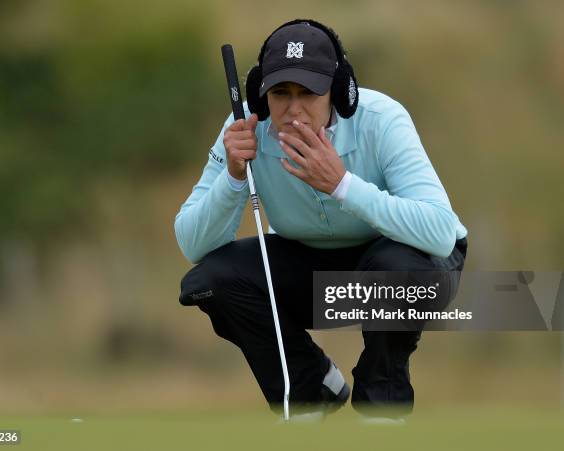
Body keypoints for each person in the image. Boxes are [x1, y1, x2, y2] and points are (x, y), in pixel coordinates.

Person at [175, 19, 468, 421]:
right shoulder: (245, 128)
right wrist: (233, 177)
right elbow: (193, 244)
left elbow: (439, 232)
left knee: (397, 270)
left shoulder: (381, 120)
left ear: (339, 91)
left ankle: (382, 405)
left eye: (309, 92)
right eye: (280, 93)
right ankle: (310, 391)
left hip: (411, 272)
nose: (293, 109)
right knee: (209, 282)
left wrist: (342, 185)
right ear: (262, 96)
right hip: (316, 276)